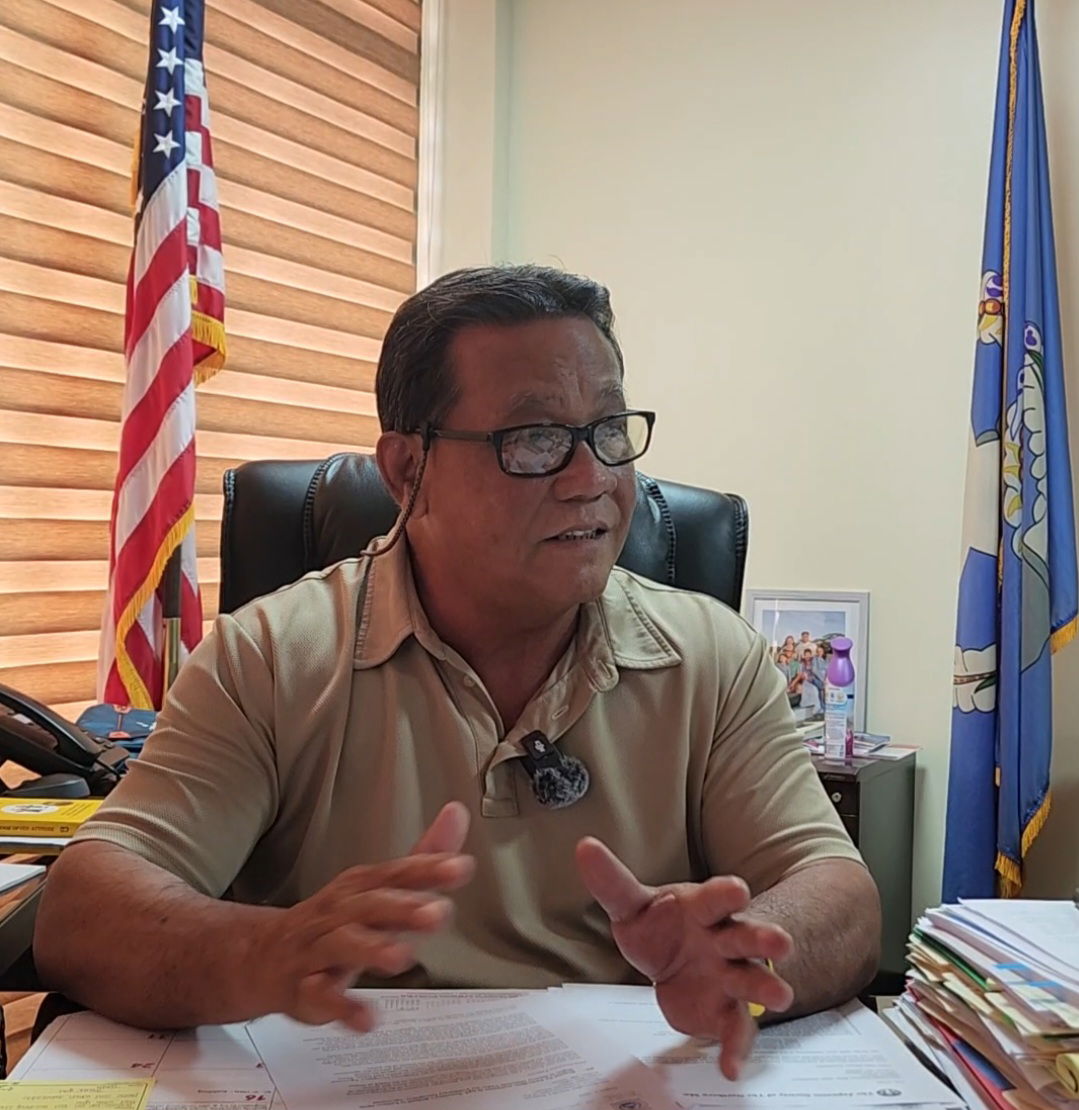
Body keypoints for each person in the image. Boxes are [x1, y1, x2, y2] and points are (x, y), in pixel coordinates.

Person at [36, 265, 880, 1080]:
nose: (592, 478)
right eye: (536, 439)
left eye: (610, 431)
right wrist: (268, 948)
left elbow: (837, 891)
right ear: (408, 471)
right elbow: (87, 912)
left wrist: (746, 953)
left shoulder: (711, 657)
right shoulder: (270, 655)